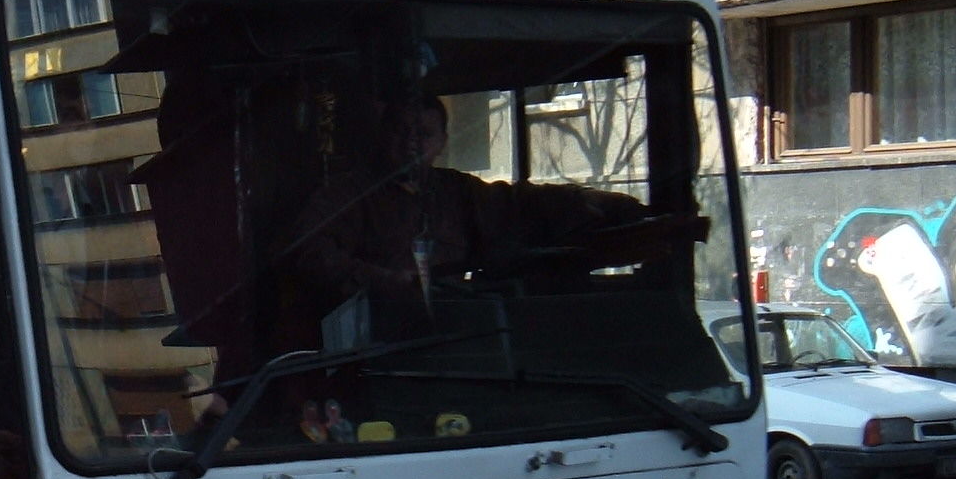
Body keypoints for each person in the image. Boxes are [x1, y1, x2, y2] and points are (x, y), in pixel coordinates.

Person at [294, 92, 691, 323]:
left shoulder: (455, 192)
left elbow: (521, 206)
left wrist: (604, 206)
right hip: (371, 343)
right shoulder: (348, 194)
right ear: (383, 135)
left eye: (424, 133)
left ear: (442, 141)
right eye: (401, 131)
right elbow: (307, 251)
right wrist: (388, 281)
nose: (411, 142)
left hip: (455, 334)